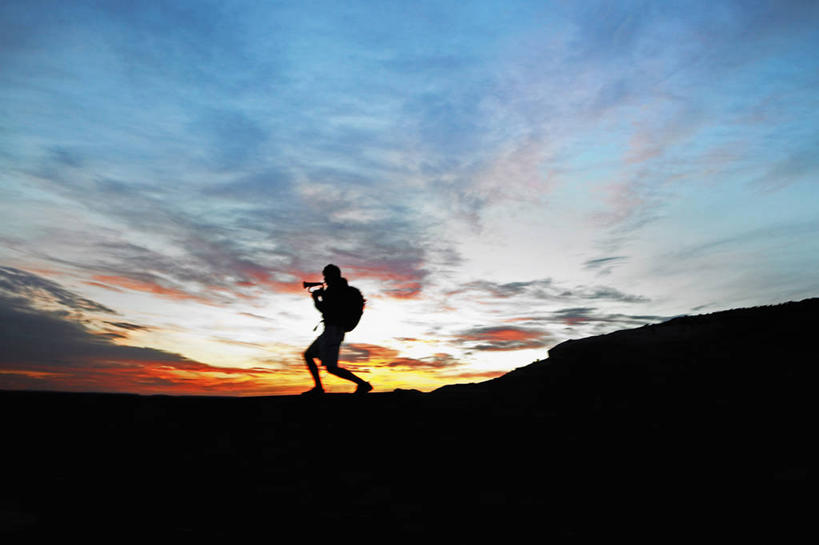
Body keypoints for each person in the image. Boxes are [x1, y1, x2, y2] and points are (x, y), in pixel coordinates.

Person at [303, 264, 373, 395]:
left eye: (326, 276)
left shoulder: (335, 290)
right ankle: (319, 387)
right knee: (308, 355)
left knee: (331, 368)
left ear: (331, 275)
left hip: (333, 331)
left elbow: (324, 310)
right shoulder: (341, 289)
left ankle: (363, 384)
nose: (324, 279)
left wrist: (316, 299)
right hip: (331, 330)